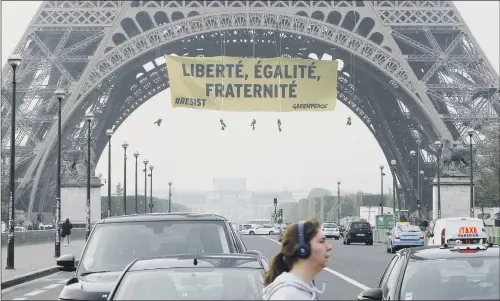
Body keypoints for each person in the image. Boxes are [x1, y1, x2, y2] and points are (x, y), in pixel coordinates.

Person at [263, 217, 332, 300]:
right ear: (303, 249)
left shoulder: (304, 288)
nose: (329, 247)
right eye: (321, 241)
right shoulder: (285, 295)